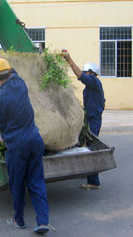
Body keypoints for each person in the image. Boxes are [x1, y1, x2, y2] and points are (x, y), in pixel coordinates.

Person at [0, 58, 50, 234]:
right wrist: (2, 58)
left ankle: (19, 219)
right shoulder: (20, 83)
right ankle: (43, 221)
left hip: (17, 145)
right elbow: (12, 71)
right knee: (36, 181)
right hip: (35, 139)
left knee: (17, 184)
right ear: (9, 71)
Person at [62, 51, 105, 190]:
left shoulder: (94, 82)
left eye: (87, 72)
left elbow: (80, 75)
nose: (84, 74)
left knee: (91, 148)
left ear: (92, 73)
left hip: (94, 120)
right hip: (91, 119)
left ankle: (94, 182)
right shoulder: (91, 87)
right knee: (86, 144)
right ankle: (88, 172)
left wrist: (70, 61)